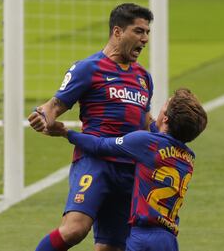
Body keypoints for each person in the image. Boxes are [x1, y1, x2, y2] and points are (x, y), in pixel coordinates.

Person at [28, 3, 154, 251]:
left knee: (111, 247)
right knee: (75, 229)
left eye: (147, 32)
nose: (145, 39)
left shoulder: (143, 77)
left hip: (129, 168)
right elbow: (53, 105)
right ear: (117, 32)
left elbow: (145, 120)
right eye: (138, 31)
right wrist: (42, 116)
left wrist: (167, 134)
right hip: (94, 161)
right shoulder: (89, 68)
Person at [49, 88, 208, 251]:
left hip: (143, 237)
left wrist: (66, 133)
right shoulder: (189, 158)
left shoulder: (145, 143)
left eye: (164, 105)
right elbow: (160, 134)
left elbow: (100, 145)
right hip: (168, 240)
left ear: (166, 118)